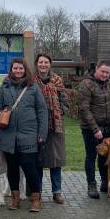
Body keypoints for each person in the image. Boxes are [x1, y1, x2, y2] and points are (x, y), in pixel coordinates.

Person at [0, 58, 48, 212]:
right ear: (11, 69)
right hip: (8, 135)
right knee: (12, 169)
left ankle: (36, 199)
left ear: (25, 70)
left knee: (30, 168)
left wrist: (42, 134)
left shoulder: (33, 87)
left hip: (29, 135)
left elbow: (42, 111)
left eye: (20, 68)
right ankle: (15, 199)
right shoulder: (4, 87)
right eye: (15, 68)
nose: (18, 71)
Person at [77, 60, 110, 199]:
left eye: (107, 72)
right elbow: (84, 108)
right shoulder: (86, 84)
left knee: (106, 156)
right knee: (91, 156)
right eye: (102, 71)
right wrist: (95, 129)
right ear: (96, 69)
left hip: (107, 127)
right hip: (90, 128)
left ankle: (104, 181)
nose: (105, 75)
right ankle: (91, 185)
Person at [33, 53, 69, 204]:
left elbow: (64, 100)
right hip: (37, 125)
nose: (43, 65)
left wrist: (59, 111)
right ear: (36, 64)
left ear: (50, 64)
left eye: (46, 62)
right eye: (40, 62)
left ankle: (57, 191)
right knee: (38, 160)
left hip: (55, 126)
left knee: (56, 160)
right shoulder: (31, 81)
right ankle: (37, 192)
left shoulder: (57, 80)